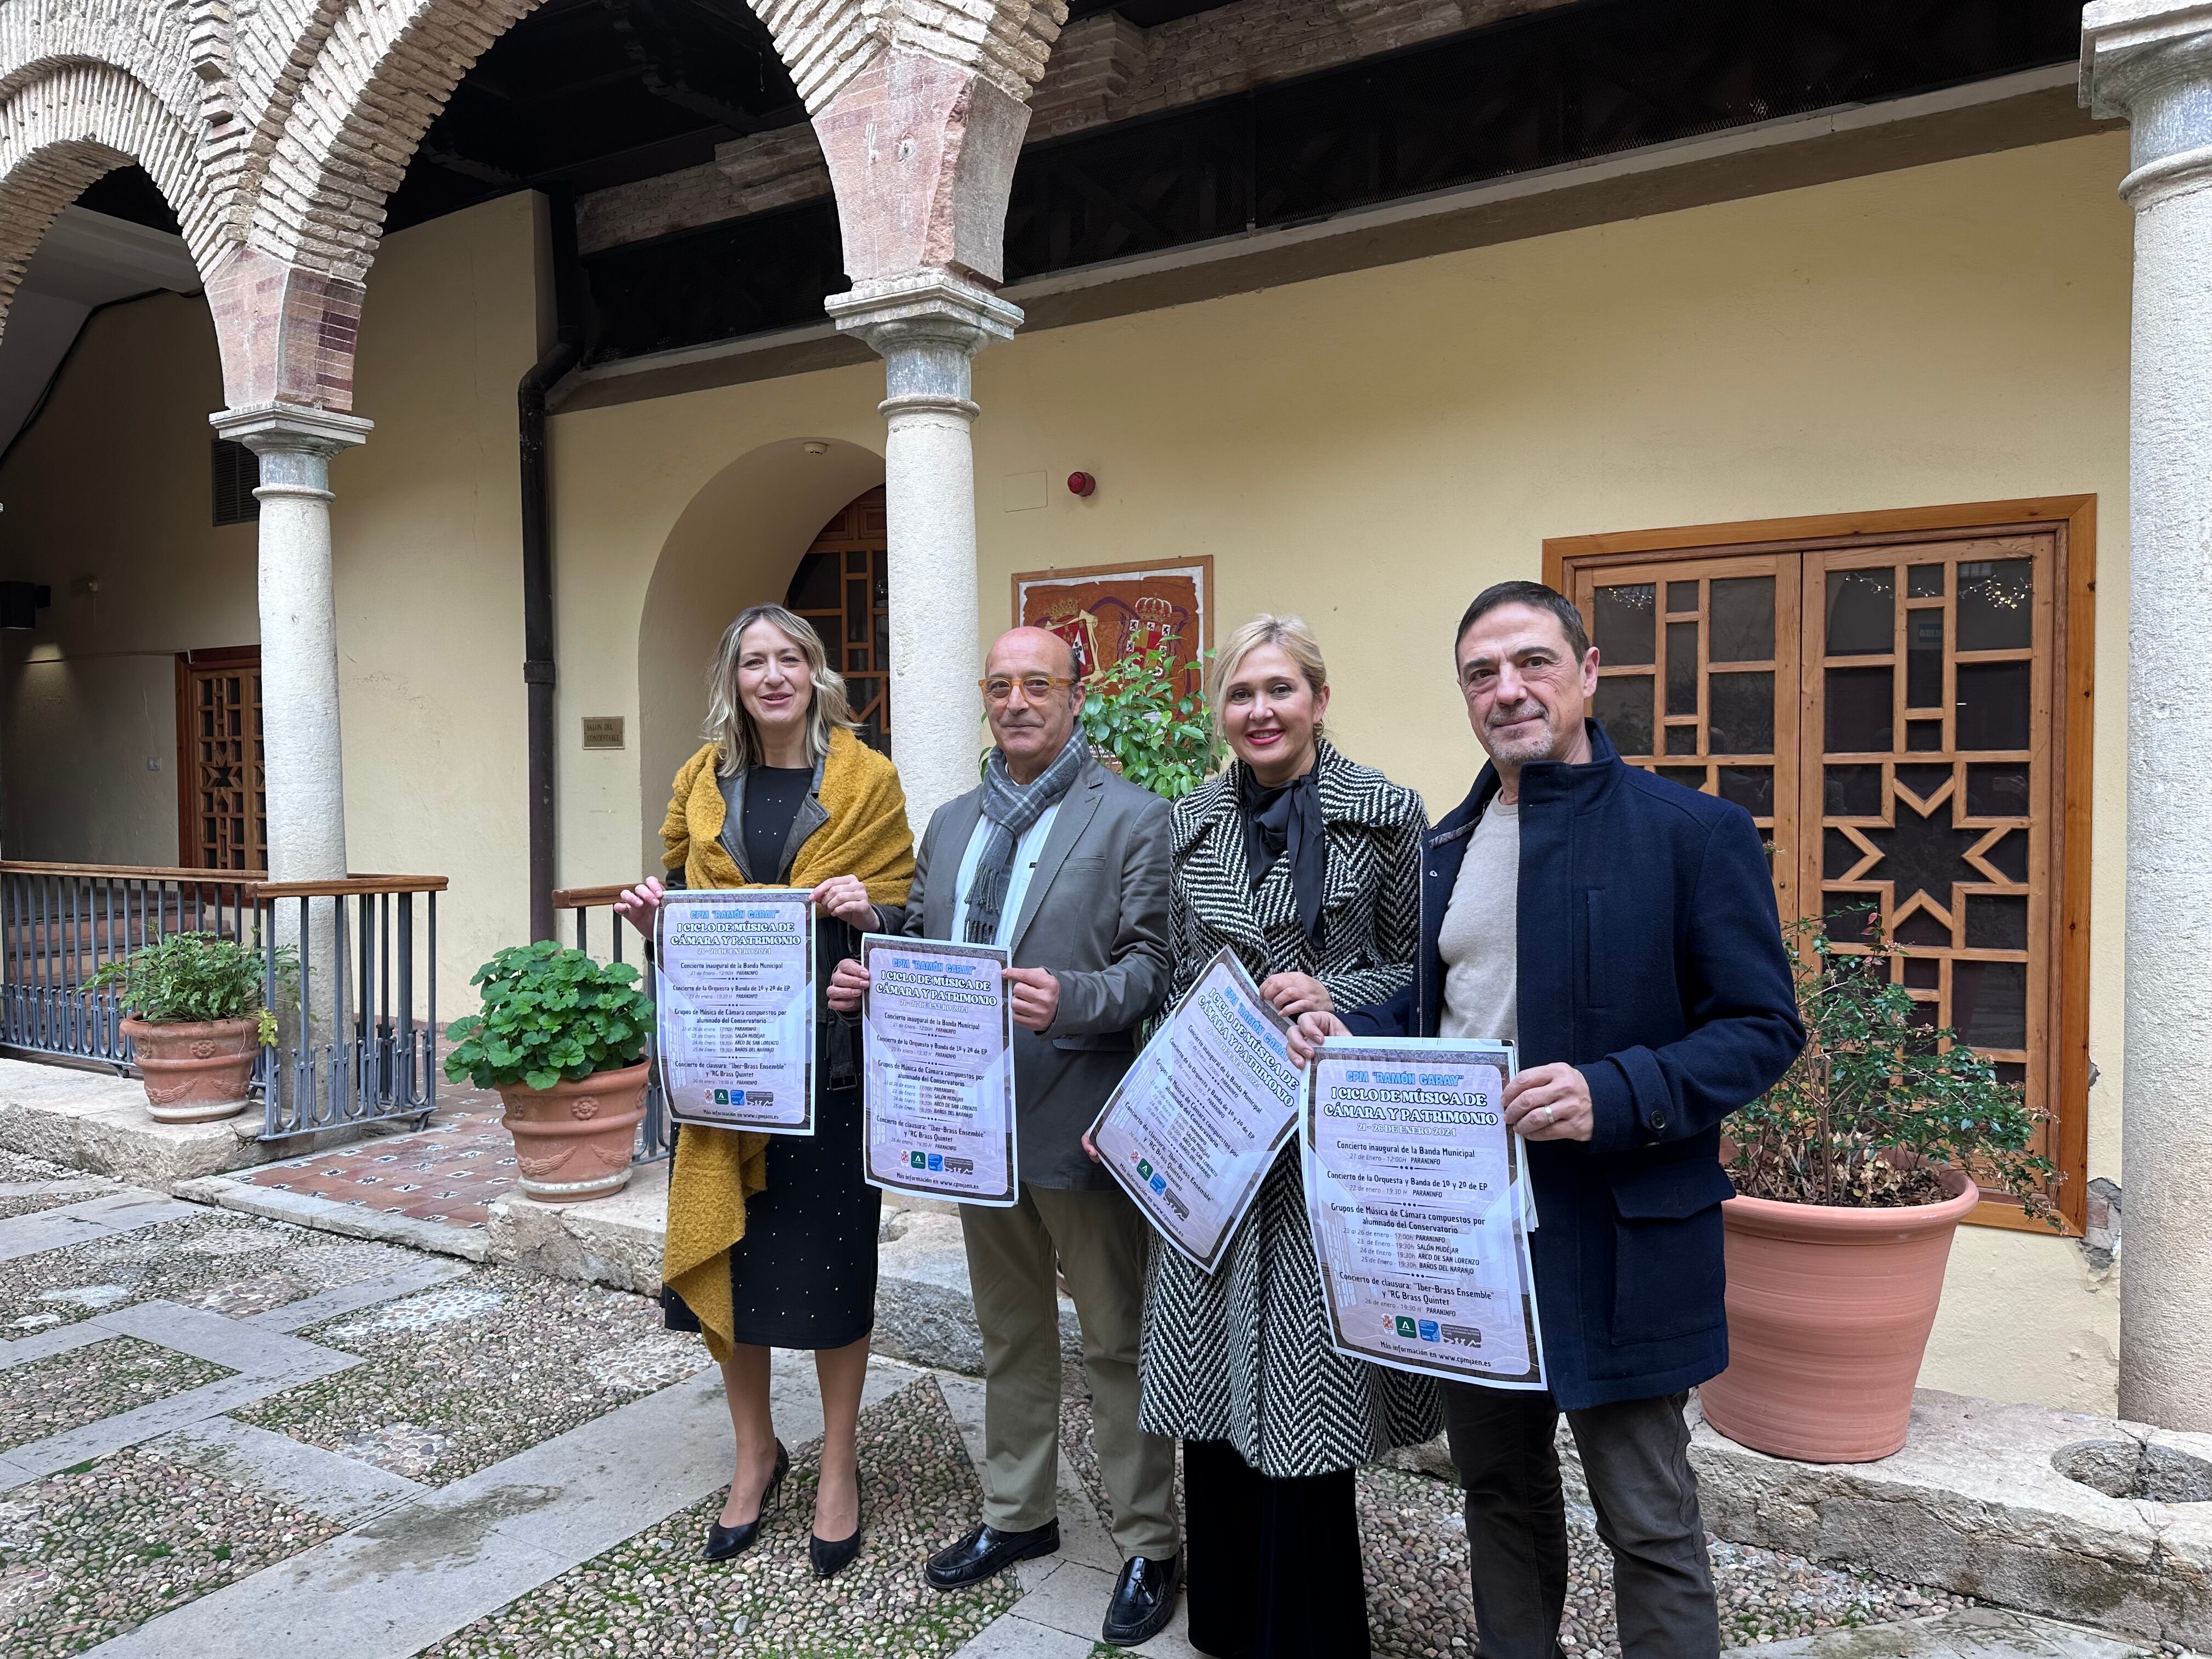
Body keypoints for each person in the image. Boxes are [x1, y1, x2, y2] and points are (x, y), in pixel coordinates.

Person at [1290, 580, 1805, 1659]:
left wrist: (1609, 1093)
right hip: (1476, 1237)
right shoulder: (1450, 844)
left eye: (1531, 662)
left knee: (1647, 1516)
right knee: (1499, 1494)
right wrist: (1346, 1026)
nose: (1507, 690)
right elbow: (1443, 1012)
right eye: (1482, 673)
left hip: (1621, 1232)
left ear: (1589, 671)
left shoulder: (1692, 835)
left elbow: (1762, 1027)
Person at [828, 627, 1181, 1649]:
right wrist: (875, 966)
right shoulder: (951, 821)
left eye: (1039, 684)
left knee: (1115, 1341)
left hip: (1079, 1120)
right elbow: (933, 946)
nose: (1018, 701)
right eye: (1001, 686)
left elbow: (1152, 966)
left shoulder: (1133, 819)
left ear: (1078, 697)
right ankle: (1018, 1516)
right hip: (971, 1127)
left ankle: (1150, 1542)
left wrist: (1072, 996)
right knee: (1010, 1334)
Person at [1120, 614, 1437, 1659]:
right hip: (1217, 1138)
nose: (1259, 711)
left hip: (1318, 1145)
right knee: (1212, 1380)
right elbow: (1169, 981)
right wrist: (1189, 1055)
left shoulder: (1387, 815)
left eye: (1279, 691)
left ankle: (1304, 1627)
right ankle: (1227, 1618)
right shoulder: (1188, 822)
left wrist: (1332, 994)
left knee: (1307, 1394)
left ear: (1318, 699)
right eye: (1241, 694)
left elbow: (1417, 977)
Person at [614, 603, 915, 1582]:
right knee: (733, 1269)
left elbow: (908, 911)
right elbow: (676, 903)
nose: (774, 675)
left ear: (816, 671)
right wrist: (653, 920)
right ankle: (755, 1456)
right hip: (727, 1068)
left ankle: (837, 1465)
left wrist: (870, 910)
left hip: (830, 1069)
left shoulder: (868, 779)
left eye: (791, 658)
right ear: (734, 678)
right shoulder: (701, 781)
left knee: (833, 1272)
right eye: (755, 661)